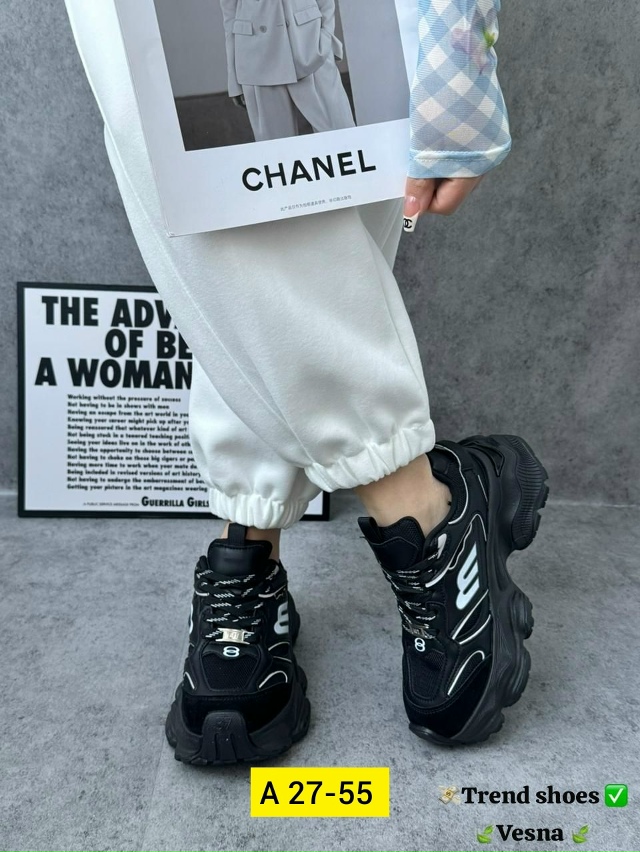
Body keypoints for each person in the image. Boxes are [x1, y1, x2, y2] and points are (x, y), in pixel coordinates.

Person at [62, 0, 548, 764]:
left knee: (325, 155)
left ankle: (325, 522)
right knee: (178, 132)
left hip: (312, 40)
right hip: (255, 43)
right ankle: (401, 511)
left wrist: (461, 48)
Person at [220, 0, 355, 140]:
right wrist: (234, 79)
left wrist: (326, 38)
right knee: (276, 148)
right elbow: (229, 15)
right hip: (257, 58)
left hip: (308, 46)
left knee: (343, 138)